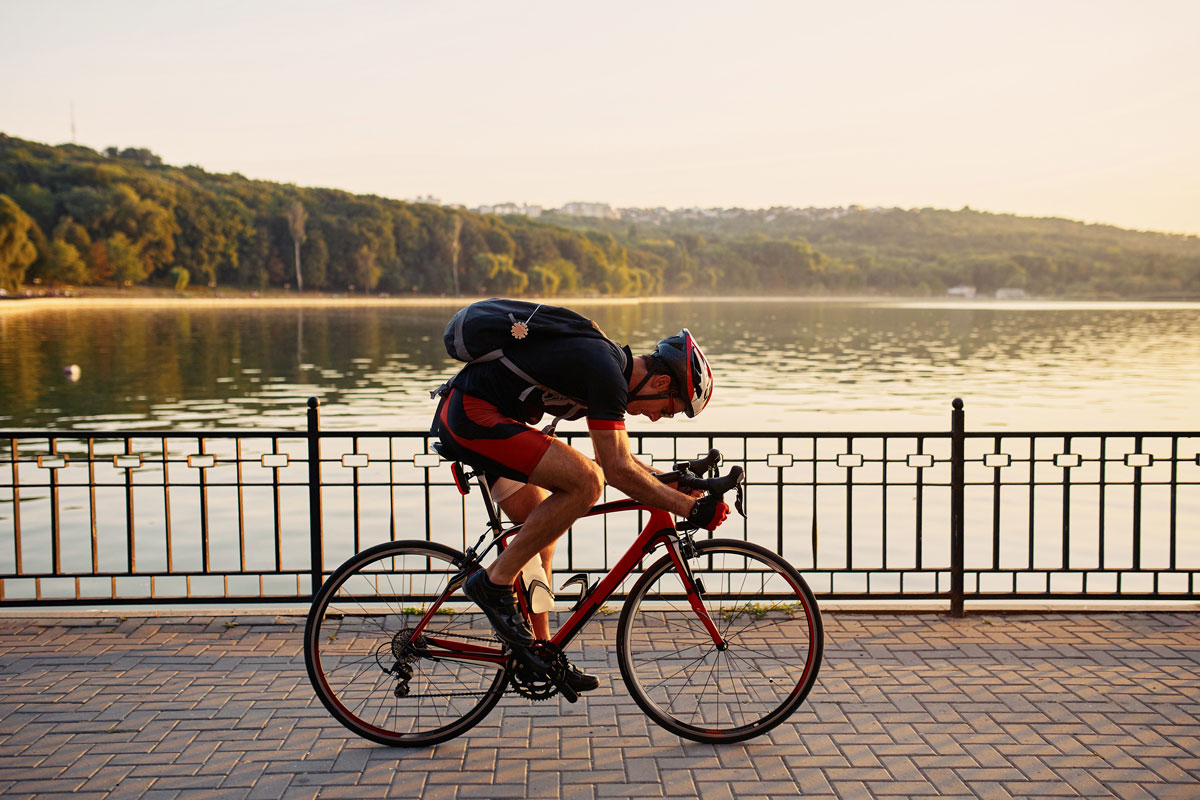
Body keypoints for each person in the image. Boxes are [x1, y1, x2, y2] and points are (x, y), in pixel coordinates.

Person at [430, 311, 729, 692]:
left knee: (539, 542)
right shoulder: (604, 370)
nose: (657, 418)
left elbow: (614, 456)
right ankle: (492, 584)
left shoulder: (609, 370)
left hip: (488, 419)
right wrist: (687, 508)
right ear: (660, 381)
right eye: (667, 407)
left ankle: (537, 652)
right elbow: (615, 472)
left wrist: (671, 482)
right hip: (475, 417)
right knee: (587, 483)